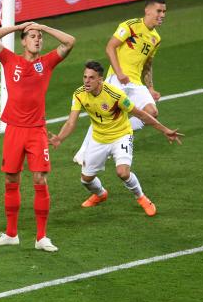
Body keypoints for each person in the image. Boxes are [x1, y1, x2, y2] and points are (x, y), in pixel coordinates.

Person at [0, 22, 76, 253]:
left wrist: (44, 27)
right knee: (11, 180)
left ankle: (41, 237)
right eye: (32, 36)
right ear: (23, 41)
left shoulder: (47, 63)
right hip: (14, 129)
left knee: (39, 180)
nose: (37, 39)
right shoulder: (9, 60)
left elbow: (69, 41)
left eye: (39, 37)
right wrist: (18, 27)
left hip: (37, 131)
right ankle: (11, 234)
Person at [48, 61, 183, 215]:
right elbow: (71, 122)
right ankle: (101, 194)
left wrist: (164, 130)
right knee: (86, 179)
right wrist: (59, 138)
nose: (86, 81)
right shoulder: (79, 94)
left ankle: (142, 198)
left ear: (100, 79)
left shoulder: (115, 94)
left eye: (91, 78)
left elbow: (140, 114)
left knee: (123, 173)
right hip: (98, 139)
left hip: (121, 136)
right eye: (85, 77)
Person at [73, 0, 167, 166]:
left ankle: (115, 136)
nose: (162, 15)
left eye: (164, 12)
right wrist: (119, 73)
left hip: (136, 83)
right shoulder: (130, 26)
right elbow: (110, 47)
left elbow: (148, 64)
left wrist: (151, 88)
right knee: (106, 113)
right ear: (147, 10)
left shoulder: (156, 38)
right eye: (158, 11)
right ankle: (83, 152)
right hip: (117, 78)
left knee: (151, 113)